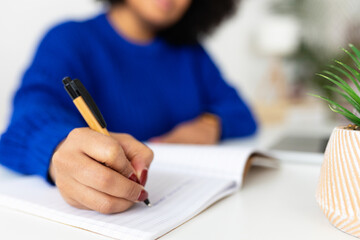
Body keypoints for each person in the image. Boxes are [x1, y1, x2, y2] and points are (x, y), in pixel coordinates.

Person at [0, 0, 257, 214]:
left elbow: (241, 111)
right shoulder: (69, 39)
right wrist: (58, 150)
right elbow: (25, 121)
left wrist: (210, 124)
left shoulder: (191, 53)